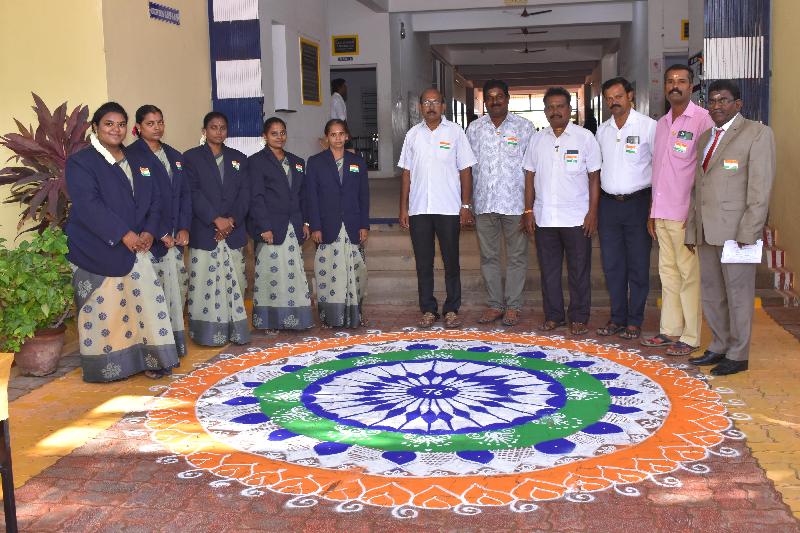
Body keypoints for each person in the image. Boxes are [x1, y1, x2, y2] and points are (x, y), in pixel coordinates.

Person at [65, 102, 179, 382]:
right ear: (95, 127)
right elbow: (89, 205)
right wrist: (123, 234)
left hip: (139, 246)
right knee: (110, 311)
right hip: (98, 250)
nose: (116, 130)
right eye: (109, 124)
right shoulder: (82, 162)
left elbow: (154, 200)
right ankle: (111, 367)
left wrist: (150, 232)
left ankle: (154, 360)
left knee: (147, 305)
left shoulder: (139, 160)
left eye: (121, 124)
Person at [685, 80, 776, 375]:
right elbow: (698, 188)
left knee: (737, 294)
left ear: (738, 104)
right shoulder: (706, 138)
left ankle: (738, 354)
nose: (717, 106)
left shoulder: (757, 134)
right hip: (707, 230)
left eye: (723, 100)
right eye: (712, 101)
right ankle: (719, 345)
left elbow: (760, 189)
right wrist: (691, 229)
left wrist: (749, 231)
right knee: (712, 293)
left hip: (737, 233)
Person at [641, 64, 713, 356]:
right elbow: (658, 171)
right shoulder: (661, 124)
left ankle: (691, 336)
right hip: (661, 213)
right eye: (670, 81)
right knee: (668, 275)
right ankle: (669, 330)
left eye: (681, 81)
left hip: (685, 214)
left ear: (691, 86)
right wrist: (652, 212)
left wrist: (695, 214)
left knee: (689, 277)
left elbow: (706, 173)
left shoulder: (702, 120)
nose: (675, 86)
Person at [522, 87, 601, 335]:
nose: (555, 111)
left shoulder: (585, 137)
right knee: (549, 271)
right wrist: (527, 210)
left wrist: (592, 213)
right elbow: (529, 177)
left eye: (560, 106)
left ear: (570, 109)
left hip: (577, 217)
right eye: (551, 107)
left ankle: (578, 316)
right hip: (545, 217)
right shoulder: (537, 139)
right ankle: (554, 315)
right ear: (545, 111)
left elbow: (594, 178)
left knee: (579, 271)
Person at [398, 88, 477, 329]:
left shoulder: (455, 133)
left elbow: (466, 170)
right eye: (426, 102)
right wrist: (404, 208)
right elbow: (406, 173)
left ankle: (452, 308)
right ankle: (428, 309)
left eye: (435, 102)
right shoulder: (412, 135)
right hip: (420, 208)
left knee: (451, 261)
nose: (431, 106)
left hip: (449, 208)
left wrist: (465, 205)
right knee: (423, 263)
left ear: (443, 106)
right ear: (420, 107)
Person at [466, 79, 535, 327]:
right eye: (490, 97)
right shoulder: (474, 129)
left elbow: (531, 170)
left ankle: (513, 306)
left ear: (508, 98)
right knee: (489, 257)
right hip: (484, 203)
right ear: (484, 101)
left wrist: (530, 206)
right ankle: (495, 305)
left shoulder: (525, 127)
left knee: (517, 256)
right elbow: (467, 168)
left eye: (499, 96)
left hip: (515, 203)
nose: (494, 101)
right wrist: (466, 204)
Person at [594, 77, 657, 340]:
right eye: (609, 98)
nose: (614, 102)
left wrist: (654, 210)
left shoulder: (649, 127)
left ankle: (635, 320)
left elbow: (660, 168)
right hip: (609, 206)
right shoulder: (603, 130)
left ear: (630, 95)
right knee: (612, 266)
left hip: (638, 204)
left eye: (618, 96)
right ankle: (617, 318)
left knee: (638, 265)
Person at [127, 105, 191, 355]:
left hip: (175, 238)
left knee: (176, 293)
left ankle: (174, 345)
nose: (157, 127)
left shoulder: (175, 155)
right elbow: (136, 200)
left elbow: (185, 195)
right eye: (151, 123)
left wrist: (184, 227)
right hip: (149, 238)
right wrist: (159, 231)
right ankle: (153, 350)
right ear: (139, 127)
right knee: (152, 296)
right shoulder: (130, 156)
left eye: (160, 122)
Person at [183, 112, 251, 346]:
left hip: (233, 231)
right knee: (204, 285)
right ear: (204, 131)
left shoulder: (239, 158)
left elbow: (245, 194)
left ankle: (236, 330)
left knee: (237, 284)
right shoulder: (190, 158)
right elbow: (192, 192)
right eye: (213, 127)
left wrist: (231, 220)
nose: (219, 132)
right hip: (205, 231)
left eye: (223, 128)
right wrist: (215, 219)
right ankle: (207, 334)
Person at [248, 117, 313, 333]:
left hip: (293, 227)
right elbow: (256, 197)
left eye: (282, 132)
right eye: (274, 133)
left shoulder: (296, 161)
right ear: (264, 137)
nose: (279, 137)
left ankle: (296, 319)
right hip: (270, 229)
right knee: (271, 276)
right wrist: (264, 227)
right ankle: (270, 322)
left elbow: (302, 196)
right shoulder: (256, 161)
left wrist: (305, 222)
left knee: (293, 274)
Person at [305, 119, 369, 328]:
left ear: (347, 136)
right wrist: (315, 226)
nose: (338, 138)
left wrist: (364, 225)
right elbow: (311, 197)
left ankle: (355, 314)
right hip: (327, 226)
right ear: (326, 138)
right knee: (329, 274)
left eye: (341, 134)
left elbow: (363, 196)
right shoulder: (315, 162)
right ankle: (330, 317)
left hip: (352, 225)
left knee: (355, 273)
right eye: (333, 134)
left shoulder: (357, 162)